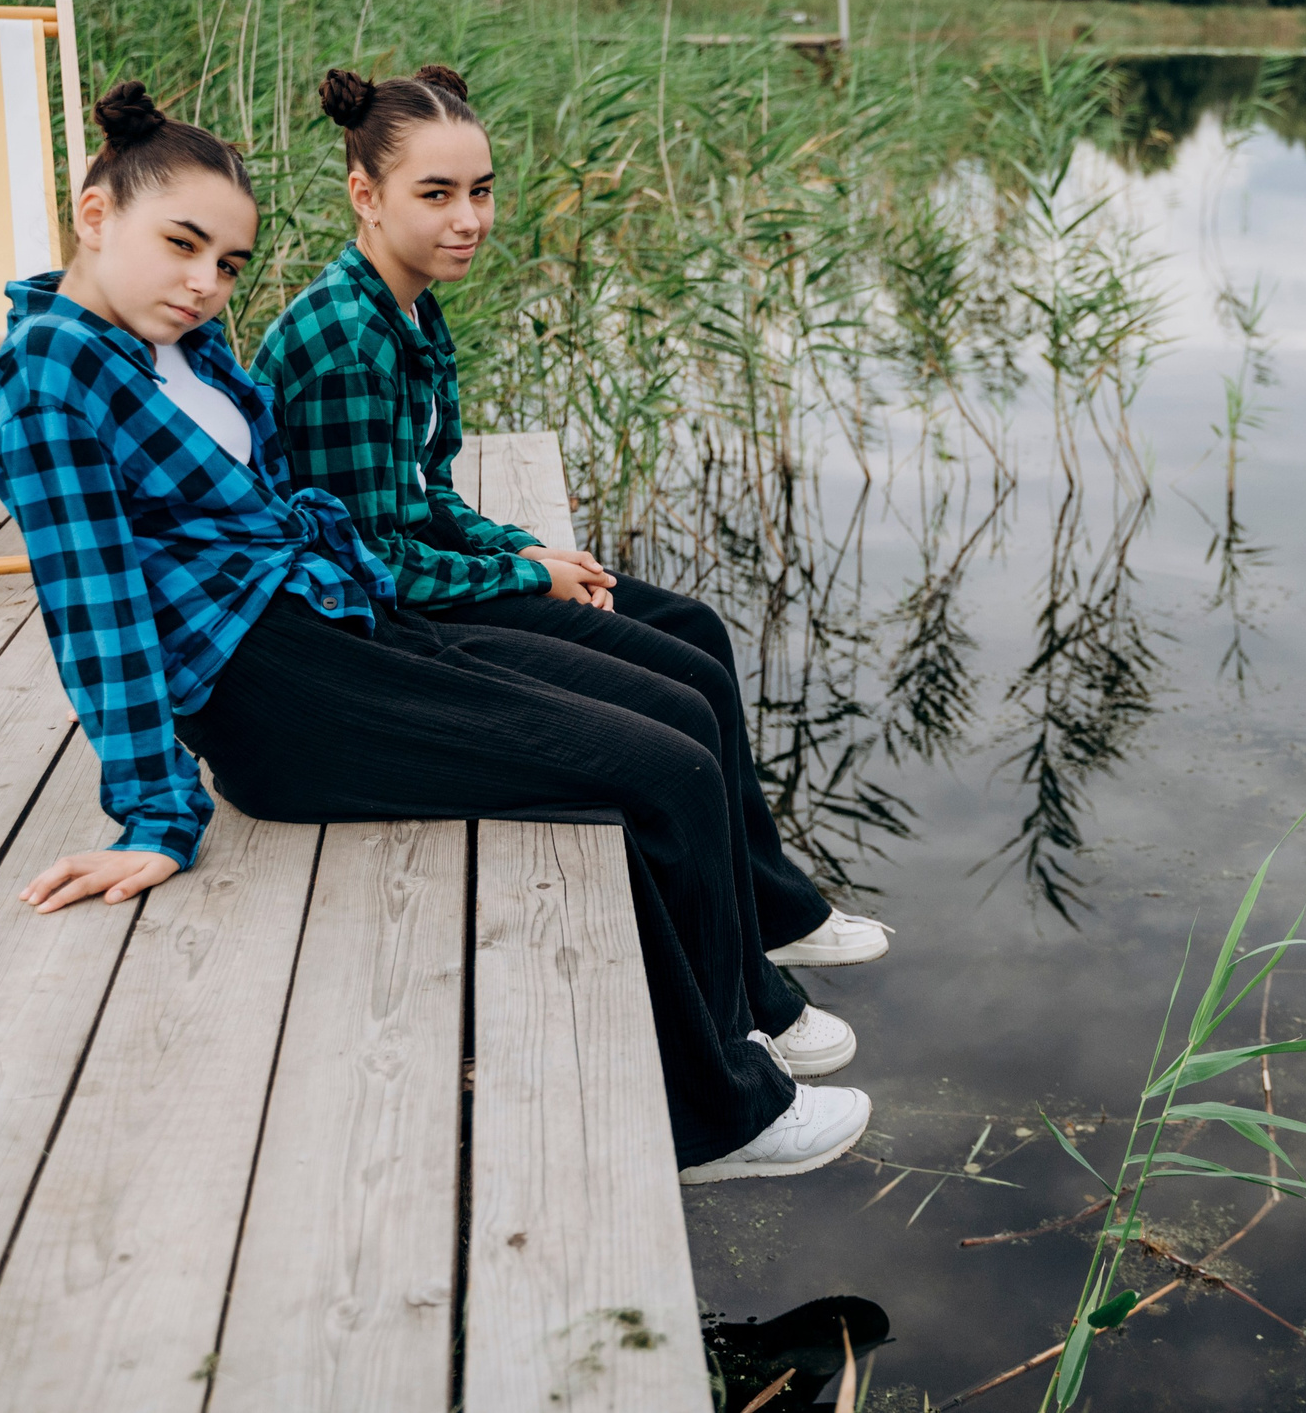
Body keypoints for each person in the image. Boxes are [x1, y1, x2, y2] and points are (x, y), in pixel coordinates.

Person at [0, 82, 868, 1183]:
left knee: (677, 725)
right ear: (95, 214)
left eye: (229, 263)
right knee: (655, 773)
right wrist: (157, 813)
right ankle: (717, 1119)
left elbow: (295, 506)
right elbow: (95, 602)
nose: (206, 282)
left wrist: (452, 575)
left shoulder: (178, 344)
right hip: (274, 698)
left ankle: (733, 1033)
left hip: (340, 624)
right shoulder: (49, 378)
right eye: (182, 244)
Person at [252, 66, 887, 979]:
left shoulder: (408, 307)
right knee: (680, 691)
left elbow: (422, 493)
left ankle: (772, 908)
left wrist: (524, 546)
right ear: (366, 195)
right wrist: (528, 578)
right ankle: (743, 962)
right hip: (371, 631)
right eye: (436, 194)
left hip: (409, 578)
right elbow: (374, 562)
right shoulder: (346, 342)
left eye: (481, 191)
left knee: (696, 629)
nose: (469, 219)